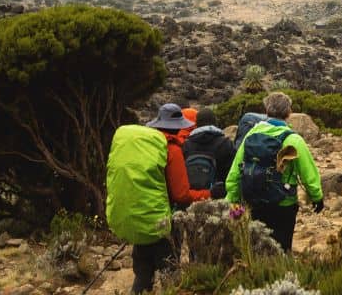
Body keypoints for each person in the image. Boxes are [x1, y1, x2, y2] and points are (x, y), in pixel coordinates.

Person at [225, 92, 323, 252]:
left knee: (256, 248)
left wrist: (232, 198)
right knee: (281, 249)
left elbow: (236, 169)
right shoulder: (293, 139)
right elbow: (308, 172)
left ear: (266, 111)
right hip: (283, 204)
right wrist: (316, 197)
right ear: (289, 112)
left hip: (254, 201)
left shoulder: (251, 134)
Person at [132, 104, 211, 294]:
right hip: (163, 221)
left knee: (142, 275)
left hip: (141, 216)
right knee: (171, 277)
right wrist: (208, 195)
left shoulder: (145, 146)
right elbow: (181, 194)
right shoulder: (172, 150)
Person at [182, 108, 235, 197]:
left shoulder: (186, 144)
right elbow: (231, 172)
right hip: (219, 196)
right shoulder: (225, 143)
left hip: (192, 196)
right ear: (215, 122)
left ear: (197, 124)